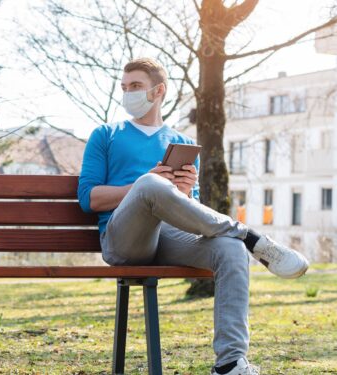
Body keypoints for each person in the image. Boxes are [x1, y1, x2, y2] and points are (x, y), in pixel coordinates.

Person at [78, 57, 308, 375]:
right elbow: (89, 199)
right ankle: (249, 235)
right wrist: (143, 185)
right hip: (123, 241)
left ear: (158, 91)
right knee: (149, 183)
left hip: (170, 238)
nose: (128, 92)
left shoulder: (183, 144)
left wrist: (186, 192)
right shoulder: (106, 134)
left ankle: (229, 363)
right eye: (124, 87)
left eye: (136, 86)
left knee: (229, 248)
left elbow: (193, 214)